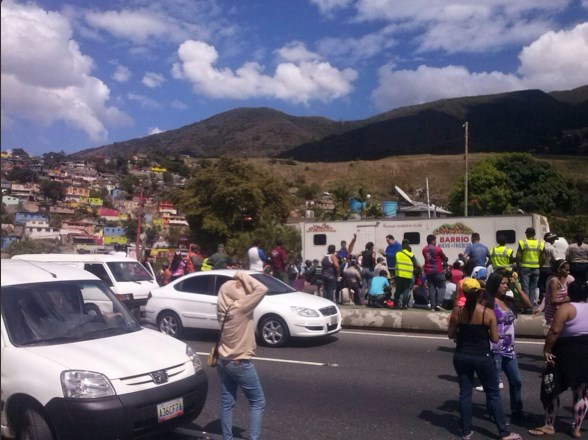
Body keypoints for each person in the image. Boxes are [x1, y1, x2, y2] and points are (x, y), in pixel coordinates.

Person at [448, 279, 522, 440]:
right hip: (482, 356)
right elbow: (495, 339)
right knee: (493, 393)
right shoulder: (487, 313)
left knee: (465, 394)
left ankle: (466, 431)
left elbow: (451, 335)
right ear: (480, 292)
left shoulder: (457, 312)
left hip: (461, 355)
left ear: (464, 293)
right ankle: (503, 432)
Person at [529, 281, 588, 438]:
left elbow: (554, 331)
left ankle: (549, 425)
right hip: (585, 351)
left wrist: (547, 349)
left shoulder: (566, 308)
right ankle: (576, 428)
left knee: (551, 388)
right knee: (581, 392)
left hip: (565, 351)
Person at [216, 271, 268, 440]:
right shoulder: (240, 308)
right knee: (258, 402)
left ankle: (227, 437)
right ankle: (254, 438)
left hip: (223, 360)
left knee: (227, 402)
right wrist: (242, 275)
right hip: (240, 362)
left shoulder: (222, 309)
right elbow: (262, 288)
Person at [475, 272, 531, 424]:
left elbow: (528, 305)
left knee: (516, 381)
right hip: (494, 350)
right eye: (503, 283)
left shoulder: (508, 301)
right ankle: (493, 412)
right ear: (495, 284)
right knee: (493, 385)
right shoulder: (487, 301)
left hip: (509, 350)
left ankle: (517, 412)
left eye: (507, 283)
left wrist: (517, 287)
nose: (506, 286)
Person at [516, 227, 545, 311]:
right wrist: (540, 265)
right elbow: (543, 257)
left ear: (528, 234)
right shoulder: (540, 243)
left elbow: (518, 256)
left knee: (525, 287)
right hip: (536, 268)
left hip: (525, 268)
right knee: (533, 288)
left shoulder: (523, 243)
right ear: (534, 234)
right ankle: (531, 306)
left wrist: (518, 266)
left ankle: (526, 307)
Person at [543, 259, 575, 327]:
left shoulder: (564, 280)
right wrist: (567, 300)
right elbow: (552, 300)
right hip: (553, 313)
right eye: (566, 270)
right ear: (559, 269)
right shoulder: (554, 282)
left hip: (559, 311)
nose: (568, 272)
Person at [422, 234, 448, 311]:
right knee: (442, 286)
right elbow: (444, 257)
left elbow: (427, 258)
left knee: (431, 288)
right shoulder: (437, 249)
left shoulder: (424, 249)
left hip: (429, 271)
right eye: (435, 240)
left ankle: (433, 306)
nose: (436, 242)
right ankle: (439, 304)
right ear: (432, 241)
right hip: (438, 270)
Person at [395, 239, 421, 310]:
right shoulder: (411, 255)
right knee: (406, 290)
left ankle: (397, 304)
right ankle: (404, 305)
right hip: (408, 275)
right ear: (408, 245)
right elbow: (416, 265)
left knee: (398, 290)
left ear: (402, 245)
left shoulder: (397, 253)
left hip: (399, 274)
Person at [539, 232, 558, 303]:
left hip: (541, 268)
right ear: (551, 240)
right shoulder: (551, 248)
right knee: (548, 285)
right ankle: (547, 300)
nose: (554, 241)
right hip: (549, 268)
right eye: (554, 240)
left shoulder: (541, 246)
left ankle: (541, 299)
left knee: (541, 285)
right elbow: (555, 259)